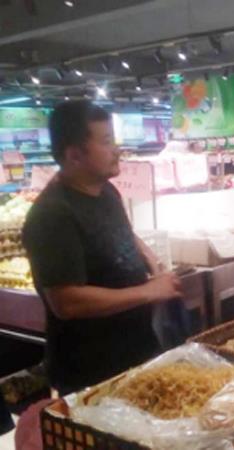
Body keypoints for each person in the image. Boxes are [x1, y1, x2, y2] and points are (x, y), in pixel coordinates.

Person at [22, 101, 182, 395]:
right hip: (92, 375)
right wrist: (149, 291)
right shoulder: (53, 215)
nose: (117, 150)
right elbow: (66, 301)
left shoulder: (106, 191)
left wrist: (147, 256)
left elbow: (120, 232)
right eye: (106, 142)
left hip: (135, 356)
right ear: (74, 155)